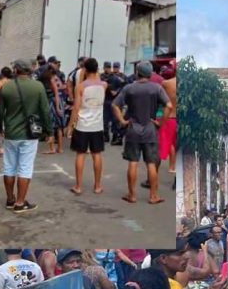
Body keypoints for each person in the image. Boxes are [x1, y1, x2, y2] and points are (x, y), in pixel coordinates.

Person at [0, 59, 52, 213]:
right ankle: (20, 202)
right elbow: (45, 110)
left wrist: (0, 128)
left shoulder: (7, 87)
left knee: (9, 167)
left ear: (16, 70)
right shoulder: (38, 87)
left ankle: (10, 199)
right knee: (25, 167)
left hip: (11, 133)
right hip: (30, 134)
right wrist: (49, 131)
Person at [112, 60, 172, 205]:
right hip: (150, 129)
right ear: (150, 73)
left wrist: (122, 121)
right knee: (151, 163)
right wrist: (160, 122)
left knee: (133, 162)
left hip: (133, 128)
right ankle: (153, 195)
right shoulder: (156, 88)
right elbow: (169, 106)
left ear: (137, 73)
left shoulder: (129, 88)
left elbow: (115, 105)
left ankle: (132, 195)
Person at [65, 58, 107, 195]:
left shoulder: (81, 87)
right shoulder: (104, 85)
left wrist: (70, 125)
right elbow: (98, 80)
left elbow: (76, 108)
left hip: (83, 124)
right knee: (97, 154)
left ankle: (78, 186)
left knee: (80, 154)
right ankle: (98, 185)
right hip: (97, 124)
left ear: (85, 70)